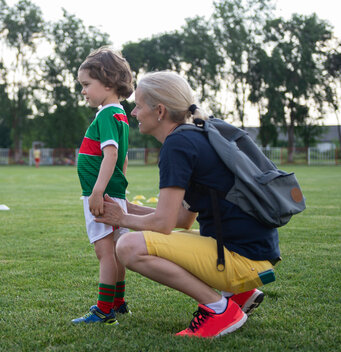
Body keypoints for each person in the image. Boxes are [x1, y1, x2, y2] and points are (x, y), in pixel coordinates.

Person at [94, 71, 280, 337]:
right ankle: (239, 295)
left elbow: (164, 224)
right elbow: (183, 219)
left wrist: (120, 219)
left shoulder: (177, 145)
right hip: (256, 254)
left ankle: (219, 309)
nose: (133, 113)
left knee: (129, 246)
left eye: (138, 105)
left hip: (241, 258)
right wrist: (130, 209)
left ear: (159, 110)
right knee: (158, 238)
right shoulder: (196, 134)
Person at [71, 47, 134, 326]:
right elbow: (124, 157)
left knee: (104, 251)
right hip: (113, 193)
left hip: (101, 195)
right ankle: (118, 303)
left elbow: (110, 154)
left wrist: (98, 192)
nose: (83, 91)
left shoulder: (107, 115)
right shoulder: (120, 114)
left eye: (86, 85)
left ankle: (104, 309)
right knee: (116, 249)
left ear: (108, 83)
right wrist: (117, 191)